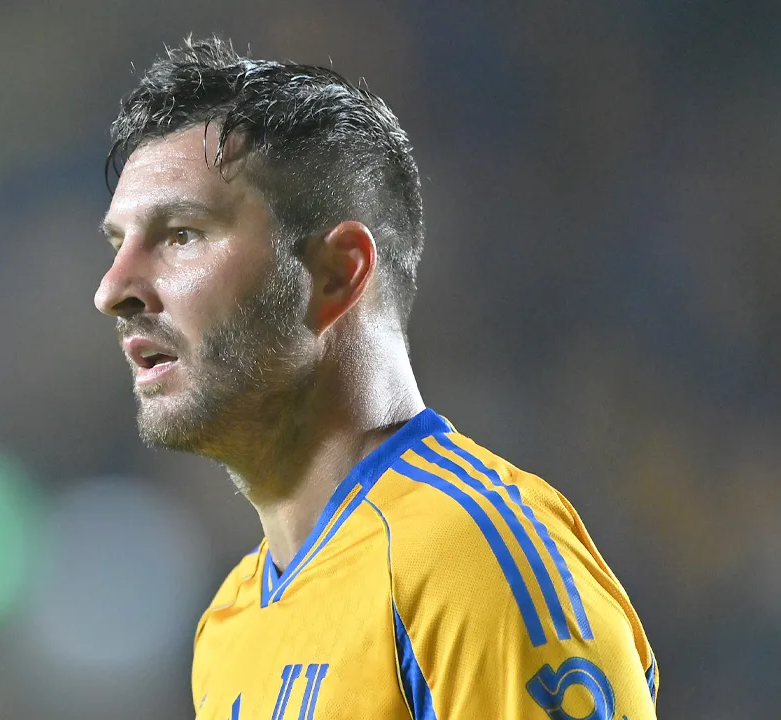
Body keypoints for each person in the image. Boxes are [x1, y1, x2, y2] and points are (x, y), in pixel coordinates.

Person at [95, 36, 658, 720]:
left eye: (182, 233)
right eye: (117, 243)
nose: (114, 289)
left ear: (336, 274)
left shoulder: (468, 560)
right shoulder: (231, 619)